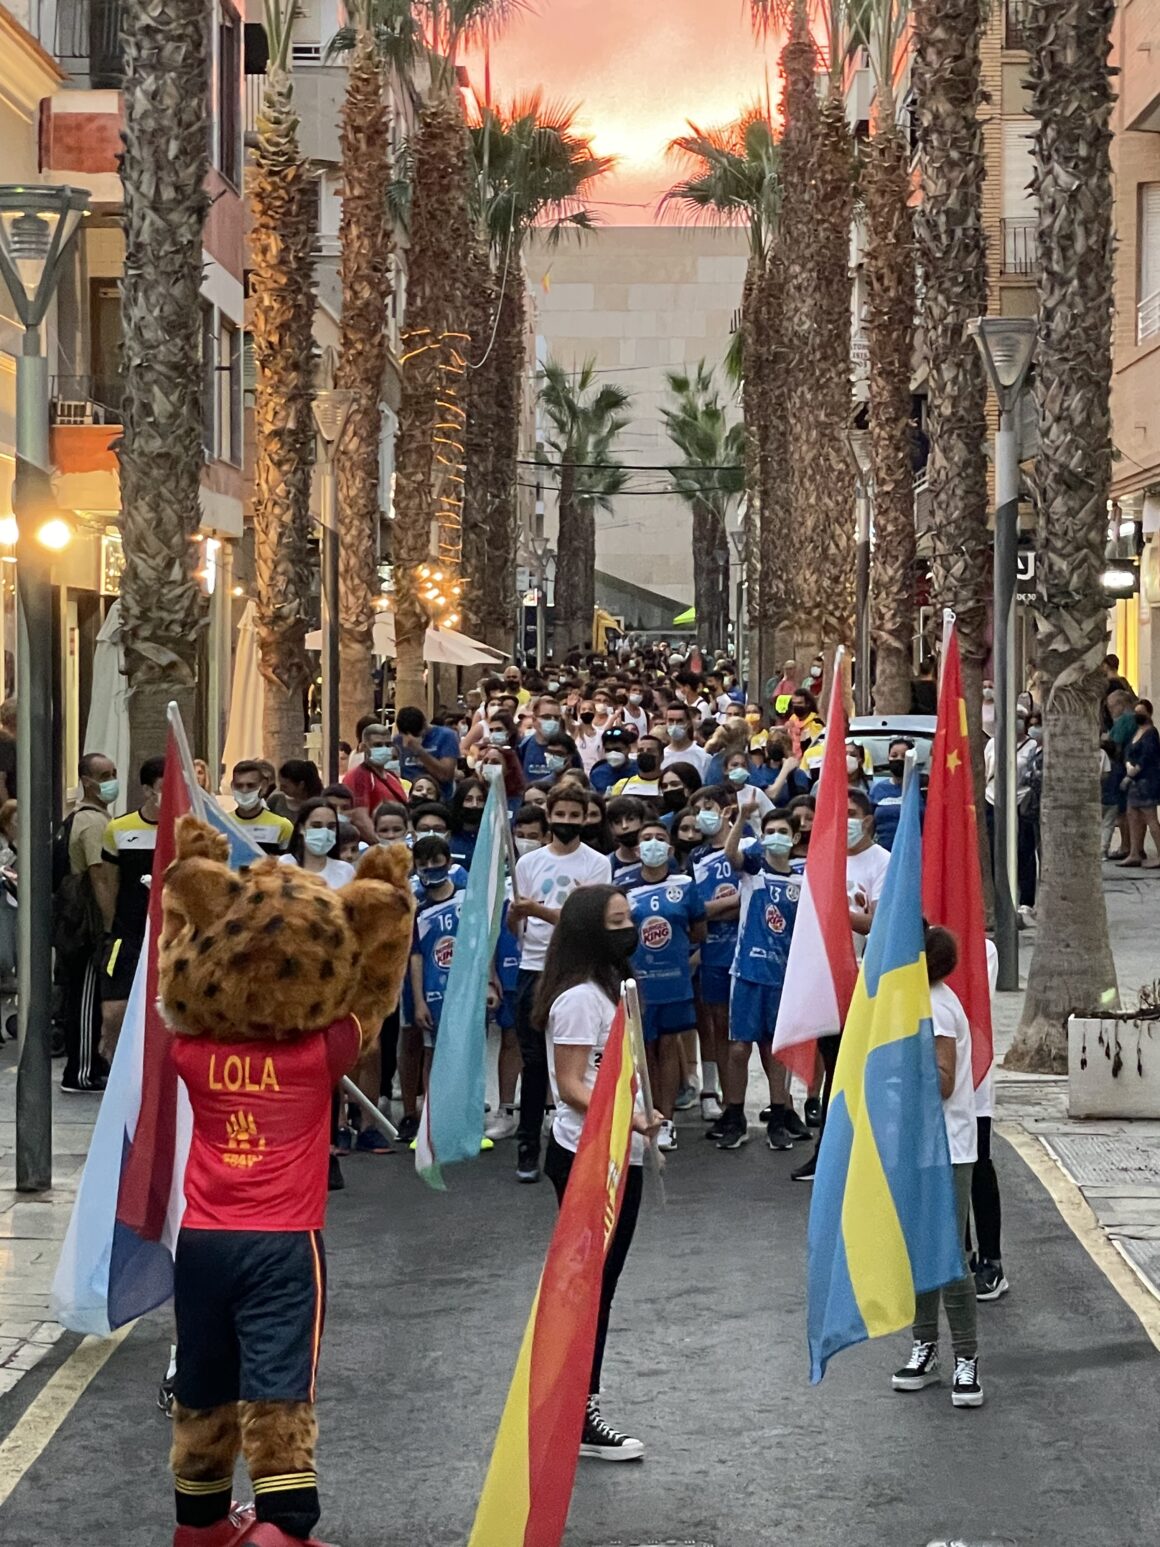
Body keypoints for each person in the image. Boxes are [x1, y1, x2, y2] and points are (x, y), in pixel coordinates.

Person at [535, 885, 660, 1460]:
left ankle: (576, 1401)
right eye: (617, 921)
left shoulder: (613, 993)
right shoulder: (579, 1001)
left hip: (617, 1150)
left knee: (599, 1287)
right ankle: (579, 1408)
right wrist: (629, 1117)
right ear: (591, 931)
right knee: (591, 1289)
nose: (629, 927)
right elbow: (571, 1085)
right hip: (590, 1157)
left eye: (629, 917)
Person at [892, 925, 982, 1409]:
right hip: (918, 1146)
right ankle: (924, 1347)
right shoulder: (919, 1003)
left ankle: (966, 1358)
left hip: (946, 1146)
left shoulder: (936, 1008)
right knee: (918, 1248)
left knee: (948, 1254)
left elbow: (943, 1083)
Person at [507, 785, 611, 1182]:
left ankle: (579, 1136)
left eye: (574, 815)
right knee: (534, 1062)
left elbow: (584, 920)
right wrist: (518, 915)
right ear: (548, 815)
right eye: (560, 815)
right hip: (535, 967)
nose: (566, 822)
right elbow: (513, 923)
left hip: (579, 969)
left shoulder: (597, 864)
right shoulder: (529, 863)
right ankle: (528, 1142)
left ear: (585, 818)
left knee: (579, 1062)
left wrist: (536, 909)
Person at [717, 803, 810, 1151]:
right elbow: (731, 855)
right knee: (739, 1048)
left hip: (784, 978)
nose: (776, 838)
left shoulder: (803, 880)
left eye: (783, 832)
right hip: (747, 974)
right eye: (770, 831)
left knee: (775, 1050)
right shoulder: (753, 872)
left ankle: (780, 1115)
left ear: (795, 837)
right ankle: (735, 1114)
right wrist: (742, 818)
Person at [624, 817, 706, 1151]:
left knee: (670, 1048)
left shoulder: (685, 884)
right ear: (637, 847)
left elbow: (699, 931)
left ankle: (667, 1120)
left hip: (675, 983)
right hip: (638, 985)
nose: (653, 843)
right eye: (647, 838)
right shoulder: (624, 888)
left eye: (660, 837)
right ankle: (648, 1115)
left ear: (670, 849)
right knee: (643, 1053)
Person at [99, 755, 165, 1063]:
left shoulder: (188, 828)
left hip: (173, 934)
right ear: (147, 790)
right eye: (163, 788)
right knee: (115, 1010)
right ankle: (111, 1059)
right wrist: (113, 926)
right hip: (128, 932)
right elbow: (108, 883)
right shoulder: (120, 829)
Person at [59, 753, 119, 1091]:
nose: (111, 780)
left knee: (91, 995)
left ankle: (92, 1064)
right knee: (85, 996)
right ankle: (80, 1071)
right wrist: (109, 926)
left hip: (80, 923)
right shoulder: (93, 822)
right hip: (86, 925)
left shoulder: (88, 817)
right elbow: (100, 876)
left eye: (113, 773)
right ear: (86, 780)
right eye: (104, 775)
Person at [342, 722, 407, 842]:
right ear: (363, 748)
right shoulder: (359, 776)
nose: (384, 749)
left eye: (388, 745)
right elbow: (360, 820)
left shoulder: (392, 777)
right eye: (378, 745)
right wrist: (383, 846)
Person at [1119, 699, 1160, 867]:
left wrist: (1136, 769)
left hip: (1146, 781)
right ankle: (1134, 852)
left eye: (1141, 712)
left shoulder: (1151, 733)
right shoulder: (1136, 731)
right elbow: (1128, 751)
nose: (1138, 715)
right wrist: (1128, 764)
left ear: (1148, 713)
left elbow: (1149, 754)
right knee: (1132, 816)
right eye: (1136, 712)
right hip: (1133, 782)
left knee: (1151, 818)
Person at [281, 799, 357, 889]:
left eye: (331, 827)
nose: (324, 832)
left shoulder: (346, 871)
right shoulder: (282, 866)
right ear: (301, 828)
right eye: (316, 826)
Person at [394, 705, 460, 799]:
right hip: (409, 796)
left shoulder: (446, 736)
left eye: (417, 734)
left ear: (425, 725)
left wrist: (419, 751)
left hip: (438, 796)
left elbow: (445, 776)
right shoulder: (398, 741)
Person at [228, 759, 294, 854]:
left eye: (251, 785)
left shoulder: (283, 826)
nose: (244, 790)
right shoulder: (223, 823)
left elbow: (288, 864)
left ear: (263, 787)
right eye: (239, 785)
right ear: (232, 786)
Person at [868, 738, 914, 852]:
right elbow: (868, 824)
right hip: (884, 854)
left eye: (904, 756)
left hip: (913, 854)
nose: (899, 759)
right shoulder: (877, 789)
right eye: (894, 755)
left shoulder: (922, 789)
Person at [518, 697, 565, 784]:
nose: (552, 721)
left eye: (556, 718)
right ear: (534, 720)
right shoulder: (523, 746)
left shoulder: (567, 747)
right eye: (546, 717)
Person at [606, 795, 646, 886]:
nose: (624, 826)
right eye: (617, 822)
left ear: (642, 821)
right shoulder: (606, 864)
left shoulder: (660, 857)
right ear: (611, 828)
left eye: (630, 819)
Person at [449, 777, 487, 868]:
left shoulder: (492, 837)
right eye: (468, 799)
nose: (475, 805)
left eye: (480, 800)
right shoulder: (449, 836)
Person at [662, 702, 709, 775]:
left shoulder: (703, 757)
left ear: (689, 723)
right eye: (671, 721)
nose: (675, 725)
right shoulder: (661, 757)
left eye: (680, 721)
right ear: (666, 722)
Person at [590, 726, 636, 794]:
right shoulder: (598, 774)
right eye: (608, 750)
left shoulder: (640, 771)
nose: (613, 754)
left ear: (628, 749)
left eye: (617, 750)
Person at [785, 689, 824, 759]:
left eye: (799, 703)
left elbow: (816, 747)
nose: (796, 706)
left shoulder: (816, 723)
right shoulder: (791, 721)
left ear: (808, 704)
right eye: (794, 703)